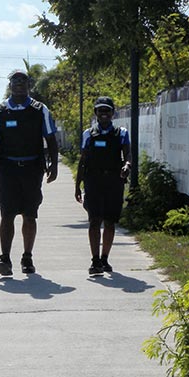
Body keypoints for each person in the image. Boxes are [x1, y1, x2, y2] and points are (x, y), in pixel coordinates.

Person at [0, 69, 59, 275]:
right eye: (15, 81)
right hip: (8, 170)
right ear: (10, 85)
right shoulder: (0, 110)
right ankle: (5, 259)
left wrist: (54, 166)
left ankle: (27, 257)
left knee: (30, 215)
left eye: (23, 81)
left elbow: (50, 139)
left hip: (32, 169)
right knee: (7, 214)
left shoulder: (40, 110)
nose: (19, 84)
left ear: (28, 85)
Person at [75, 96, 131, 275]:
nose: (104, 114)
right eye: (101, 110)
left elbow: (128, 154)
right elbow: (82, 161)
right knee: (94, 221)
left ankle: (105, 258)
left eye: (107, 110)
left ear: (113, 113)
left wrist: (127, 166)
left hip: (114, 182)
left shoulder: (121, 133)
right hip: (93, 182)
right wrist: (78, 185)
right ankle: (95, 260)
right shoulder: (88, 134)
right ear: (96, 113)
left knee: (109, 222)